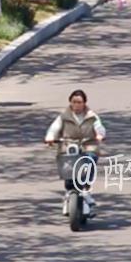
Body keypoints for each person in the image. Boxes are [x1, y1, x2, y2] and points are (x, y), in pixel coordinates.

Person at [44, 89, 106, 217]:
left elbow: (99, 127)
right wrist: (50, 137)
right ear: (70, 102)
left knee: (90, 160)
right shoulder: (64, 116)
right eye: (74, 102)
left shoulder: (91, 116)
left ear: (84, 103)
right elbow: (54, 127)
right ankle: (69, 190)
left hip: (88, 144)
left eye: (79, 102)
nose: (77, 105)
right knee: (67, 165)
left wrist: (100, 135)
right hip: (69, 145)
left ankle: (85, 190)